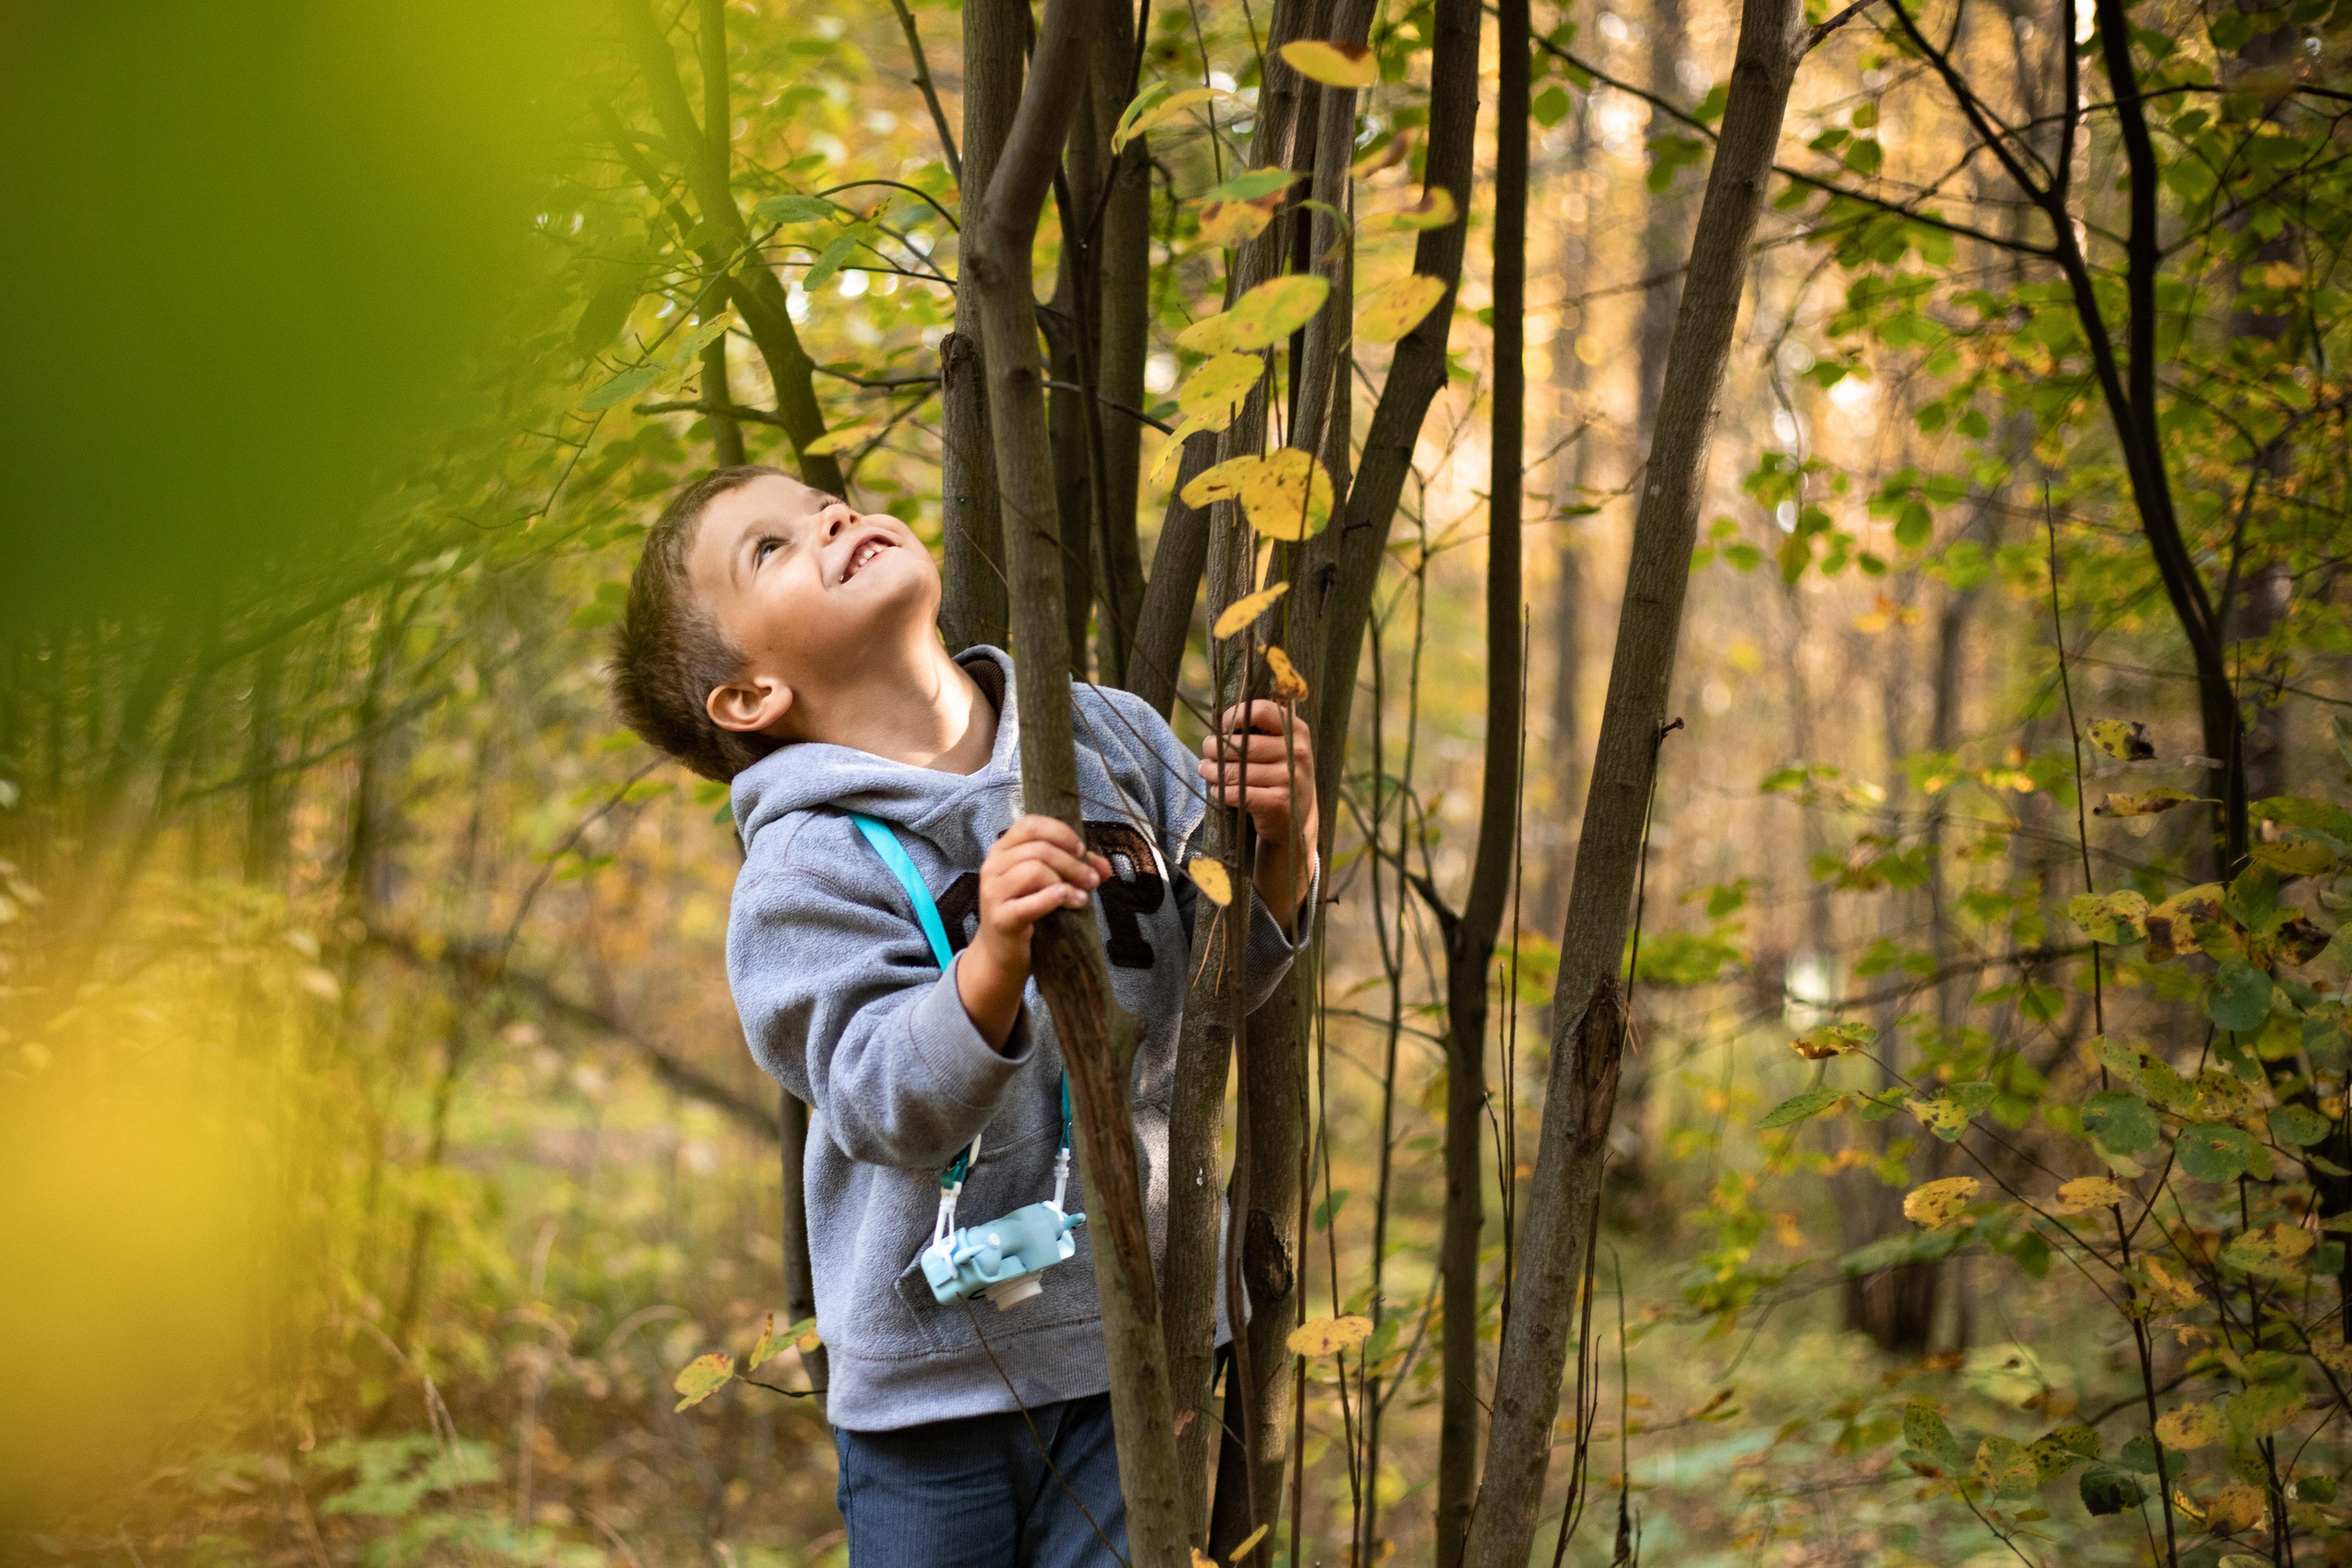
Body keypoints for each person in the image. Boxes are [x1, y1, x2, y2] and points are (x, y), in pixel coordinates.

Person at [608, 465, 1317, 1567]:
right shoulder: (805, 866)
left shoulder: (1108, 738)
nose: (832, 518)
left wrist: (1282, 848)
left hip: (1148, 1335)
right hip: (930, 1393)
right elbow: (876, 1097)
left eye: (826, 503)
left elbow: (1217, 1000)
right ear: (749, 698)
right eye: (771, 548)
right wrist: (990, 961)